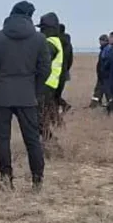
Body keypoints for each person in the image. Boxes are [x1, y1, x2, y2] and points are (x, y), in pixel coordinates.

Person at [0, 1, 51, 191]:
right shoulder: (39, 39)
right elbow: (45, 69)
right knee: (32, 140)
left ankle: (6, 180)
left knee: (3, 140)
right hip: (27, 95)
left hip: (1, 95)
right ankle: (37, 181)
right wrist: (34, 89)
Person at [35, 13, 64, 149]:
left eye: (42, 28)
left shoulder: (50, 43)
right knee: (42, 118)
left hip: (45, 85)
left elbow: (40, 62)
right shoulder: (55, 41)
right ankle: (48, 144)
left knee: (38, 119)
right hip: (50, 85)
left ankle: (52, 145)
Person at [56, 23, 74, 113]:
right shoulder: (68, 43)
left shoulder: (55, 42)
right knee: (57, 93)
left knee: (53, 94)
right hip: (64, 71)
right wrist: (66, 68)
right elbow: (70, 59)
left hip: (55, 71)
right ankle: (63, 106)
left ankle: (63, 106)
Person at [90, 34, 110, 108]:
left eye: (101, 41)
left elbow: (105, 62)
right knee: (99, 90)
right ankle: (95, 104)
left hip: (104, 74)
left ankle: (111, 106)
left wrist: (103, 72)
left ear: (104, 41)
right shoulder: (104, 49)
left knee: (106, 91)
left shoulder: (106, 49)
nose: (100, 42)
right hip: (102, 74)